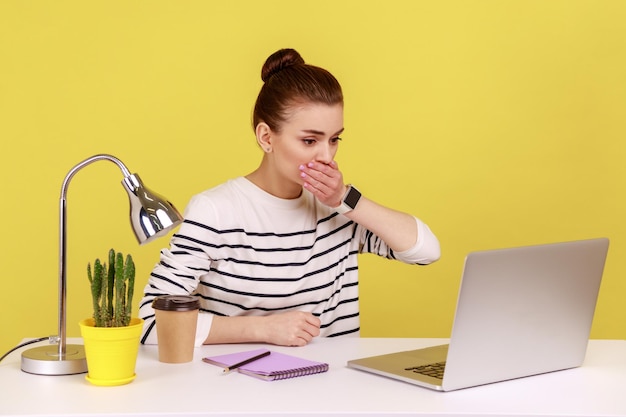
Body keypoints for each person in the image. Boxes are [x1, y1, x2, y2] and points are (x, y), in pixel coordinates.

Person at [139, 48, 440, 347]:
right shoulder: (216, 211)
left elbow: (426, 250)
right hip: (238, 388)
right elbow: (151, 323)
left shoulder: (338, 208)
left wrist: (345, 200)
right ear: (266, 137)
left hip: (336, 388)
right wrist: (261, 329)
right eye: (310, 140)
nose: (326, 155)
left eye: (335, 139)